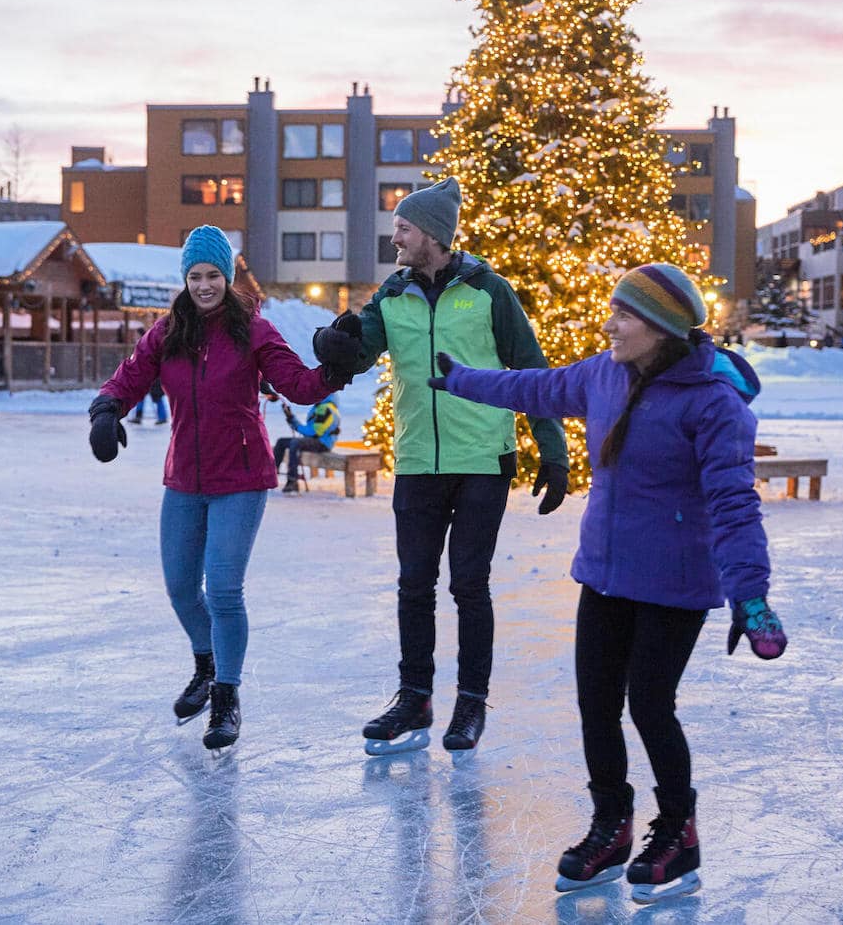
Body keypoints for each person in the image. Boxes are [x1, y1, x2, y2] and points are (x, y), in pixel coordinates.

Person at [429, 262, 788, 904]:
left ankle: (678, 831)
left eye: (623, 315)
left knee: (650, 705)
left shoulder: (713, 403)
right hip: (604, 572)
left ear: (660, 327)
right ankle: (611, 824)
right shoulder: (603, 374)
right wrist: (461, 380)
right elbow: (534, 389)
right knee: (596, 702)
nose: (609, 323)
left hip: (675, 582)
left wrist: (751, 593)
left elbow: (734, 503)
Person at [312, 178, 570, 757]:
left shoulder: (489, 292)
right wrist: (335, 344)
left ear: (431, 234)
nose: (395, 236)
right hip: (417, 461)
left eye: (403, 227)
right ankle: (415, 697)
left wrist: (552, 452)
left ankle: (471, 702)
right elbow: (360, 350)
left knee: (469, 584)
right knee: (413, 585)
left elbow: (530, 368)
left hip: (482, 458)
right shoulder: (393, 293)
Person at [88, 225, 354, 751]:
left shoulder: (254, 331)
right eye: (195, 276)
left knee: (224, 590)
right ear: (184, 279)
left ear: (227, 279)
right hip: (184, 478)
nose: (204, 285)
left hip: (241, 476)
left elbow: (298, 384)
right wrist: (105, 410)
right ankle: (206, 664)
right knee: (181, 588)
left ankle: (227, 697)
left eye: (213, 275)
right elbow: (129, 377)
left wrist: (338, 367)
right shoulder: (167, 332)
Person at [272, 394, 341, 494]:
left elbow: (314, 432)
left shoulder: (326, 409)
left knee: (295, 443)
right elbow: (309, 431)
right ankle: (273, 473)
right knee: (281, 442)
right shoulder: (319, 407)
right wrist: (291, 418)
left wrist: (294, 422)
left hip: (323, 443)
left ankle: (292, 480)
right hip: (314, 439)